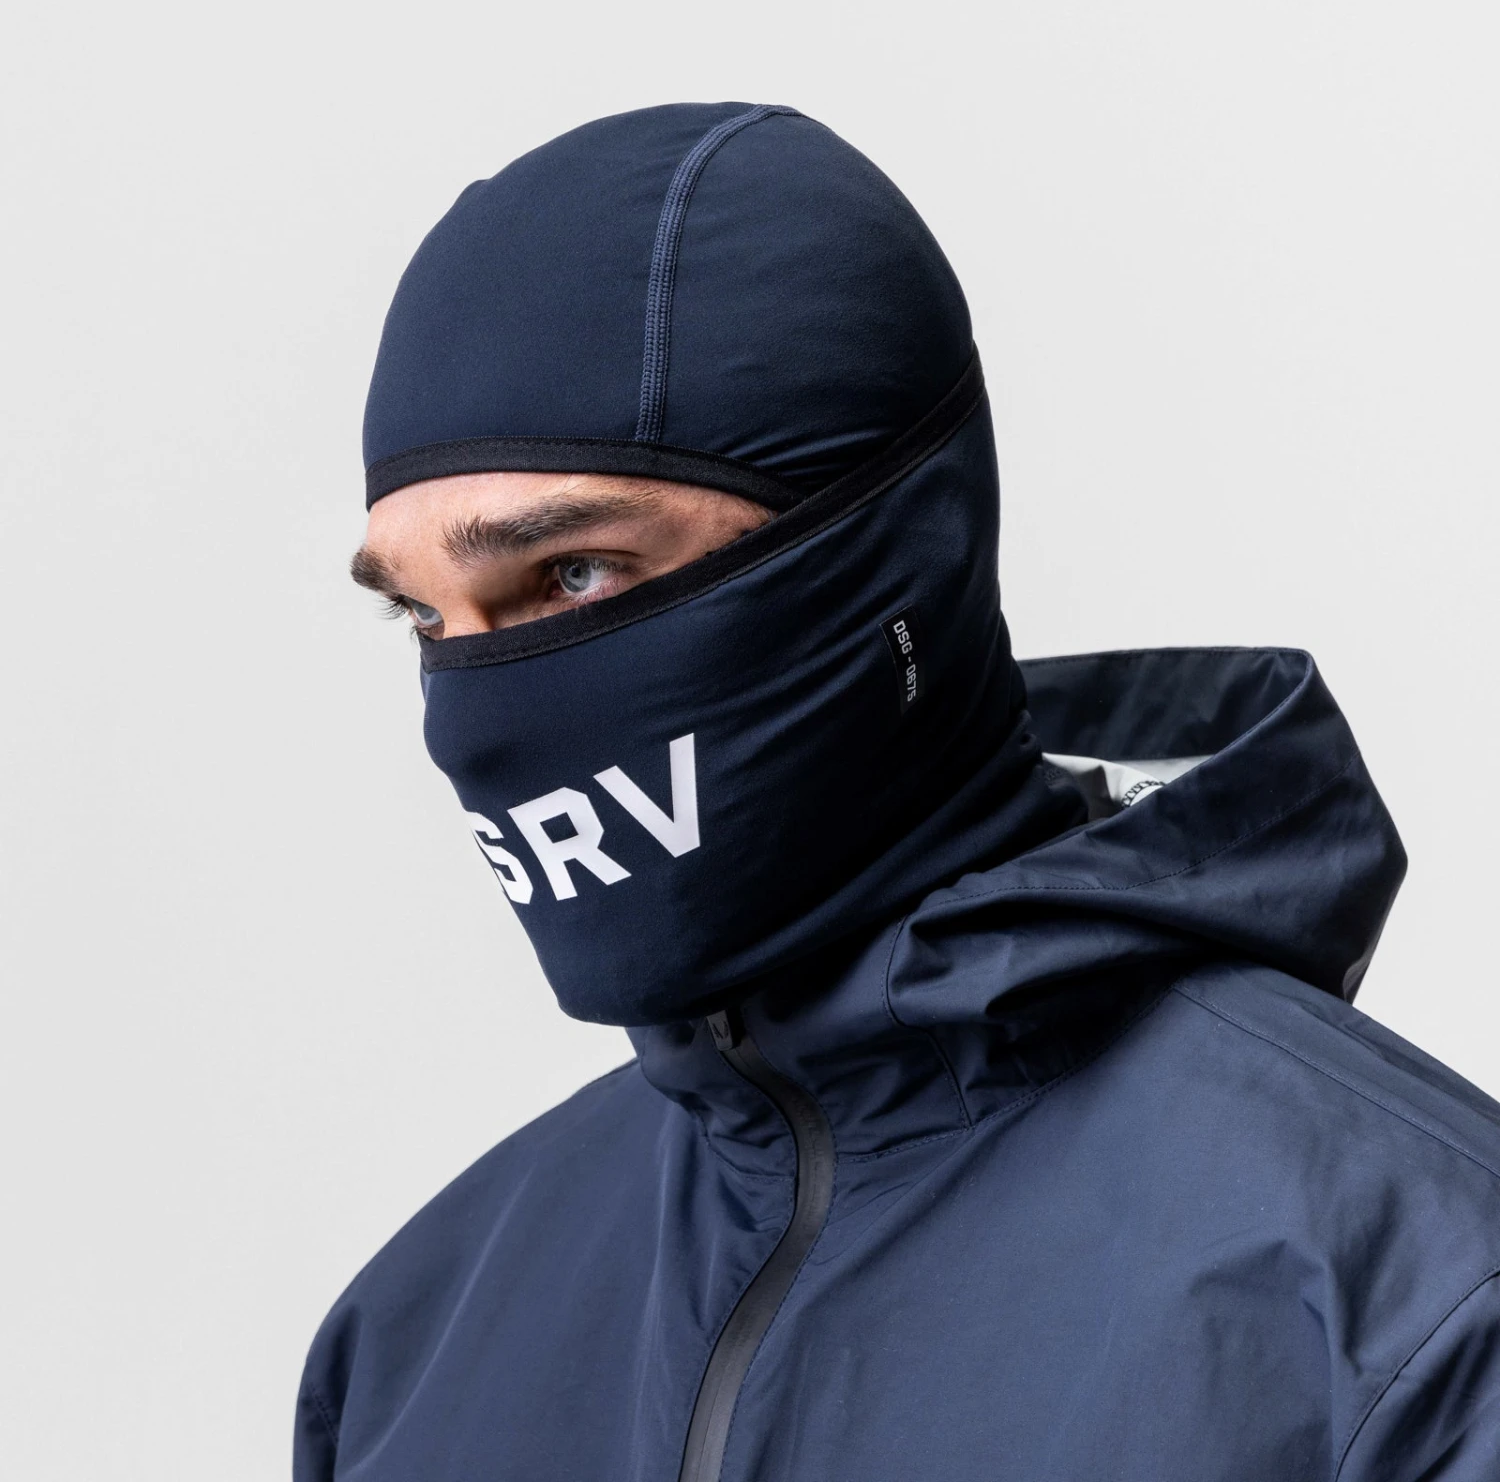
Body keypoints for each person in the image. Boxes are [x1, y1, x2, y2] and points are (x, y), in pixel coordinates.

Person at [294, 103, 1500, 1481]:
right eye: (425, 617)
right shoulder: (408, 1345)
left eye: (572, 575)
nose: (477, 712)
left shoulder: (1419, 1318)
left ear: (895, 558)